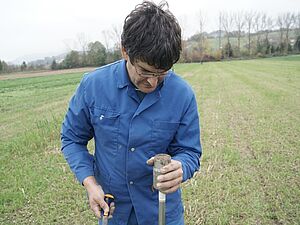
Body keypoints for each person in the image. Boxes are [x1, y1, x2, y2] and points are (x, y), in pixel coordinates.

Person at [61, 1, 202, 224]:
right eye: (145, 71)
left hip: (162, 214)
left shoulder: (183, 95)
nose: (153, 82)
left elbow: (190, 151)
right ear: (125, 50)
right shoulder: (93, 86)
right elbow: (71, 139)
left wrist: (181, 167)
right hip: (114, 211)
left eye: (162, 73)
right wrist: (90, 183)